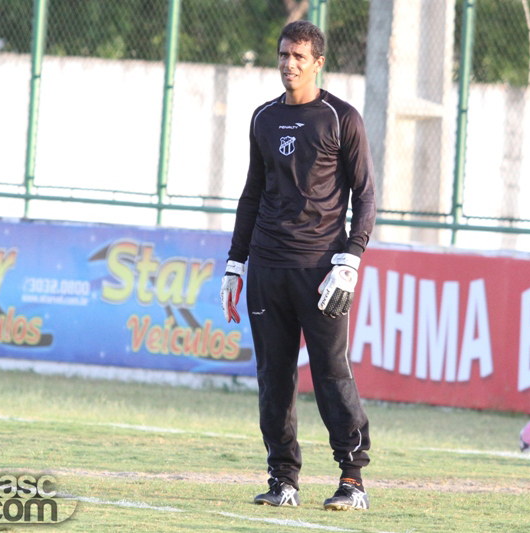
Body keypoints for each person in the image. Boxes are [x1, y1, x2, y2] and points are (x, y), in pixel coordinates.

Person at [220, 20, 376, 511]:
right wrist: (235, 264)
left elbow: (366, 194)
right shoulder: (263, 118)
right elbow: (251, 194)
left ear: (318, 63)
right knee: (274, 377)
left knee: (331, 373)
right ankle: (283, 479)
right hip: (267, 268)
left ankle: (352, 480)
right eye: (284, 55)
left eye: (299, 57)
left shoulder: (340, 117)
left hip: (321, 272)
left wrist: (350, 257)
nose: (289, 64)